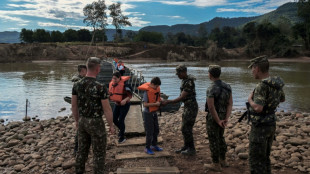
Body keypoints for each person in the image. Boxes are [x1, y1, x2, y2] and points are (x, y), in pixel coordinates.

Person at [71, 57, 115, 174]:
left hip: (82, 121)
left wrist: (77, 120)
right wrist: (111, 125)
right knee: (99, 154)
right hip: (96, 122)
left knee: (81, 151)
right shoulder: (100, 87)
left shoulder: (77, 85)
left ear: (87, 67)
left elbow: (74, 106)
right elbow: (107, 108)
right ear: (98, 69)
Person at [247, 56, 285, 174]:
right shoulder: (275, 83)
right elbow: (282, 99)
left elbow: (258, 108)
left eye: (252, 68)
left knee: (255, 160)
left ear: (257, 68)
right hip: (271, 124)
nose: (252, 71)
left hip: (260, 126)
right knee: (265, 158)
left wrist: (250, 100)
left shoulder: (261, 86)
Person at [162, 65, 198, 155]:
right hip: (187, 106)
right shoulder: (184, 80)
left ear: (183, 72)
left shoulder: (189, 82)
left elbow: (182, 97)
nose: (178, 76)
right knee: (184, 128)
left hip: (191, 107)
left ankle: (191, 149)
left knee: (187, 128)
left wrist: (169, 101)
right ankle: (186, 146)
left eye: (178, 74)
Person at [204, 65, 233, 172]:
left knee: (213, 140)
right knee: (221, 137)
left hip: (214, 118)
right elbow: (230, 104)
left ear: (210, 74)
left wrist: (217, 120)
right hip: (223, 115)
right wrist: (226, 118)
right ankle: (223, 160)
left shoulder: (211, 88)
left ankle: (215, 164)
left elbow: (211, 107)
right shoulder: (228, 86)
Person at [138, 77, 163, 155]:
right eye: (156, 86)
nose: (156, 88)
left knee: (156, 129)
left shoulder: (156, 89)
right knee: (150, 131)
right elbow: (145, 104)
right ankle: (147, 147)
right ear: (152, 84)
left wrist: (160, 99)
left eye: (157, 86)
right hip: (147, 113)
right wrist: (155, 104)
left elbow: (157, 97)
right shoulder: (147, 92)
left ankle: (154, 145)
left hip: (154, 112)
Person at [108, 71, 132, 143]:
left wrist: (125, 100)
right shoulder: (112, 84)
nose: (114, 80)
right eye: (113, 78)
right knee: (114, 119)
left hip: (125, 105)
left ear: (119, 78)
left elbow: (130, 96)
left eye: (115, 79)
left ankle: (122, 137)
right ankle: (122, 130)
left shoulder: (125, 85)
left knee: (121, 120)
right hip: (117, 104)